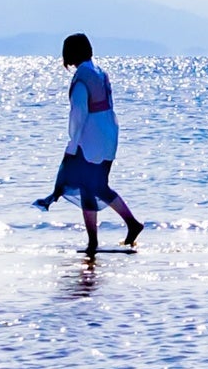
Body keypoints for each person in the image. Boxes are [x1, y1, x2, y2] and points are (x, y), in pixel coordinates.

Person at [33, 32, 144, 254]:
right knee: (95, 186)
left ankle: (98, 239)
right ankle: (121, 228)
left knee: (88, 185)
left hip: (90, 138)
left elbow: (79, 113)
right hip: (109, 134)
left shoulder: (82, 77)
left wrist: (72, 143)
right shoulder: (100, 72)